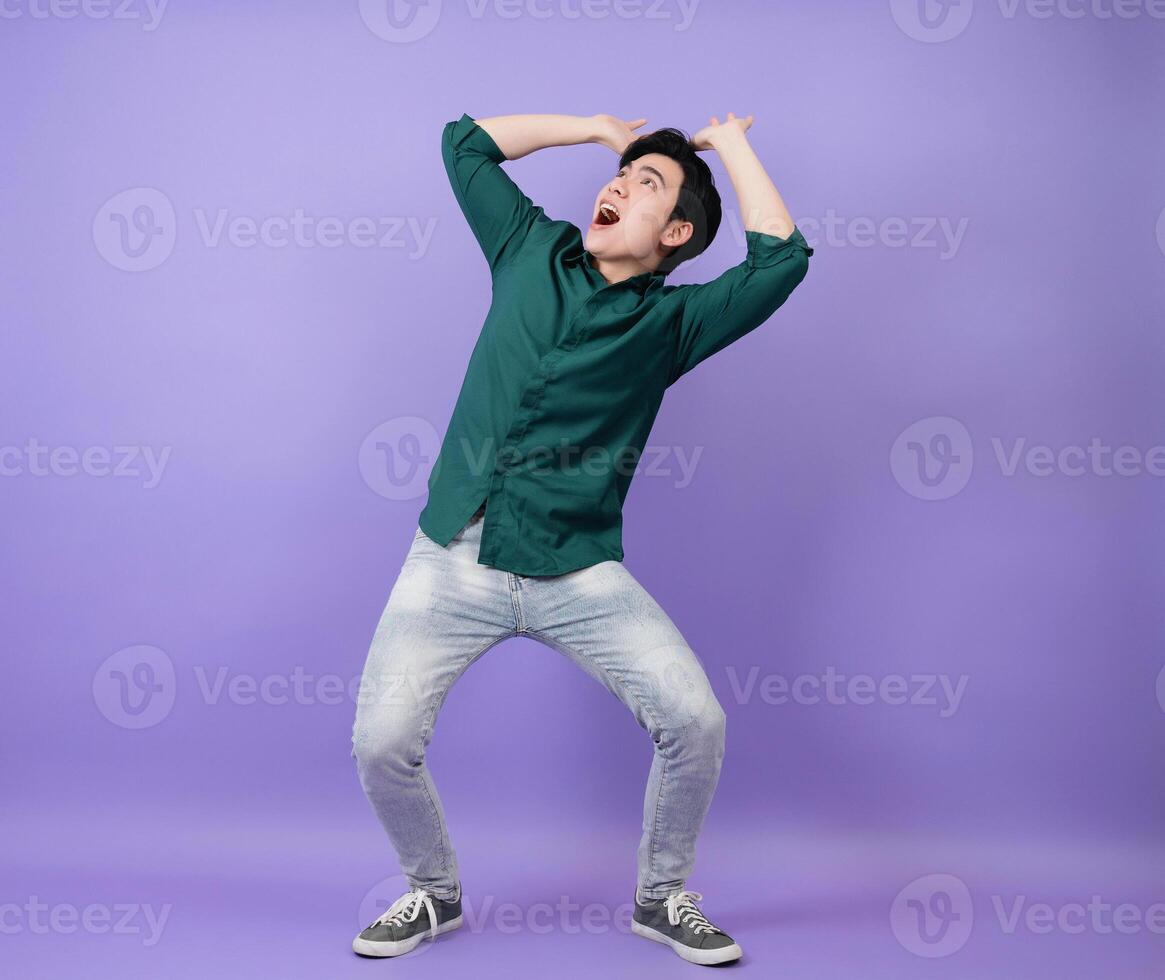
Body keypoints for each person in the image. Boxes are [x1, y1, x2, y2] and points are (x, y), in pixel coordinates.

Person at [351, 110, 814, 966]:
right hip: (451, 554)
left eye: (647, 186)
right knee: (379, 742)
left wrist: (732, 144)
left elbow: (781, 260)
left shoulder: (673, 325)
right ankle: (434, 893)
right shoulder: (529, 248)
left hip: (576, 570)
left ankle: (661, 896)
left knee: (695, 720)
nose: (617, 186)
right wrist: (594, 129)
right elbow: (464, 143)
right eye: (620, 176)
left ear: (675, 233)